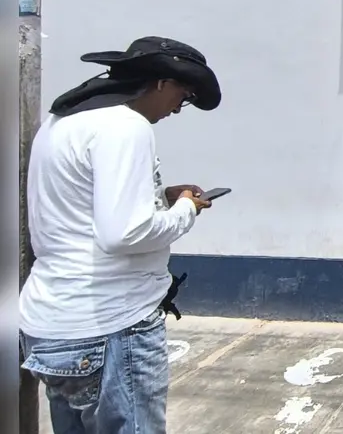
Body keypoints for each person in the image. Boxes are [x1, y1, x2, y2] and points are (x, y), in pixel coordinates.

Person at [19, 36, 222, 434]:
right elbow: (126, 234)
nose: (180, 107)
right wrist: (186, 209)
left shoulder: (65, 120)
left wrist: (158, 196)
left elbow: (78, 205)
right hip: (110, 328)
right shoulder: (126, 126)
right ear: (162, 82)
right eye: (184, 94)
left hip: (51, 326)